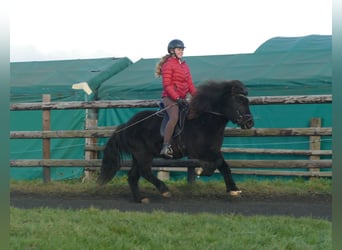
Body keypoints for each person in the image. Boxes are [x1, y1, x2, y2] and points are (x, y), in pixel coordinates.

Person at [155, 39, 197, 158]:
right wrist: (177, 98)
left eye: (182, 50)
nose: (181, 51)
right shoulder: (168, 65)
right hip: (169, 98)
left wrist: (199, 97)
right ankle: (166, 146)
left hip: (181, 99)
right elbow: (167, 85)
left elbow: (190, 85)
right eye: (179, 49)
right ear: (172, 51)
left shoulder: (185, 66)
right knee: (174, 117)